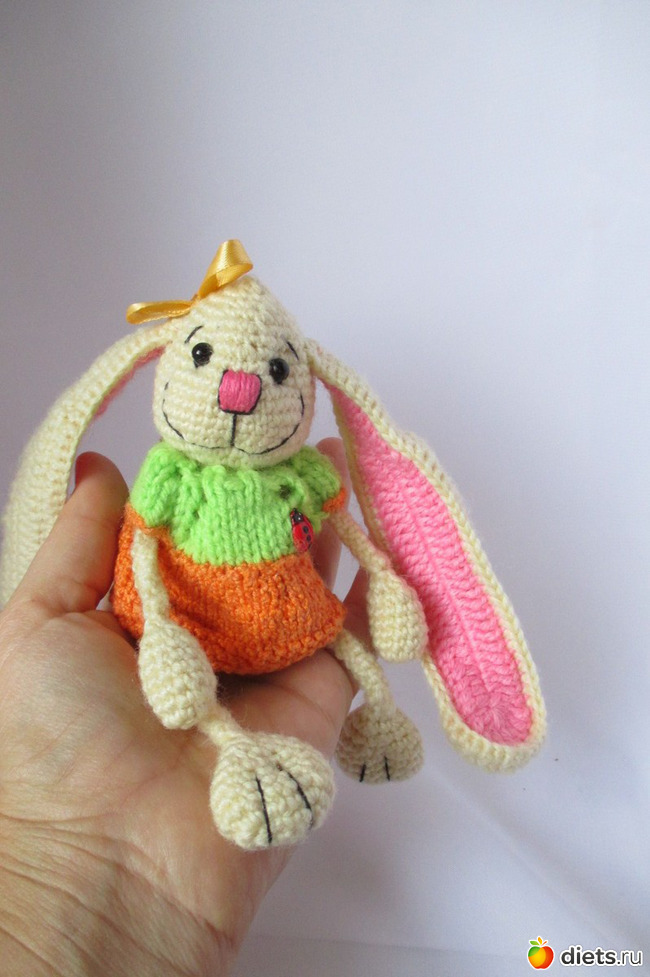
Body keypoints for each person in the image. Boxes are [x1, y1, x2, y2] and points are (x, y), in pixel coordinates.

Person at [0, 441, 365, 976]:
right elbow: (145, 544)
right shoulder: (171, 476)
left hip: (273, 630)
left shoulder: (292, 478)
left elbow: (340, 519)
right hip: (179, 632)